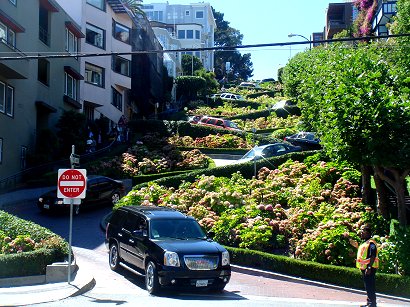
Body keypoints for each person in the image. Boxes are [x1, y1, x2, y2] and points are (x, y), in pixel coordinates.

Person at [356, 225, 379, 307]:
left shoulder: (371, 243)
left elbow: (372, 256)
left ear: (368, 233)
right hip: (365, 268)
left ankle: (372, 304)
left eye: (363, 232)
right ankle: (369, 302)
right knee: (368, 286)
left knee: (370, 286)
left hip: (370, 268)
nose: (361, 233)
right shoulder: (366, 243)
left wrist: (369, 267)